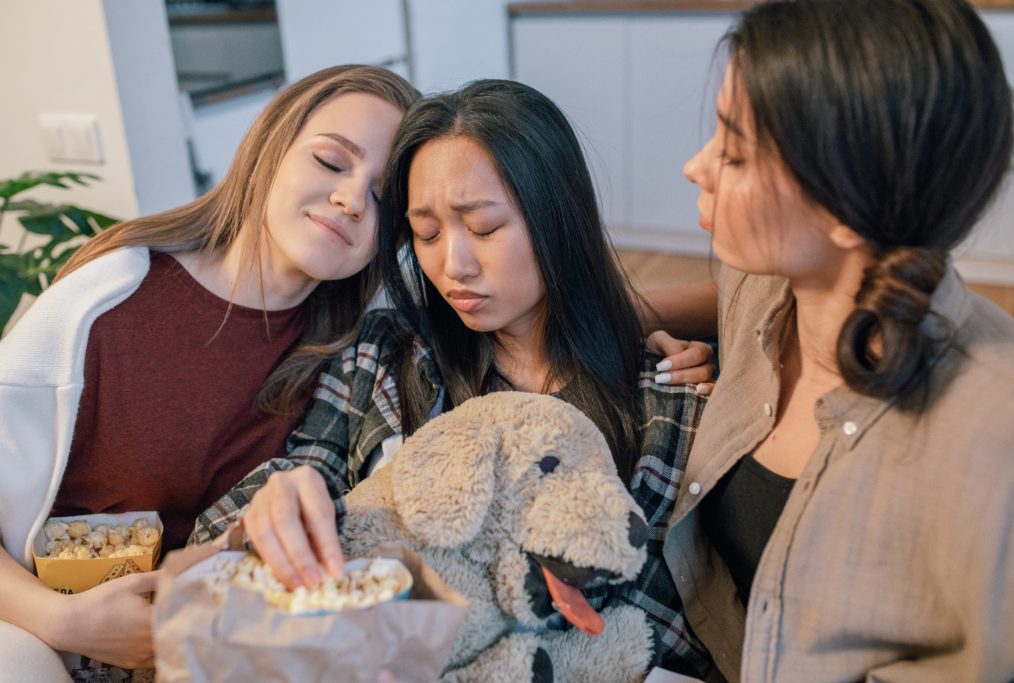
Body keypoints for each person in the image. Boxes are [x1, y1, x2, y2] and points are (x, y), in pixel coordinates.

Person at [195, 79, 715, 676]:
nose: (453, 265)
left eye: (485, 228)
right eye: (427, 234)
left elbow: (676, 625)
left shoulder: (667, 395)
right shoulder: (382, 362)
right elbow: (273, 497)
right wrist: (274, 506)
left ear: (557, 217)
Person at [0, 65, 419, 677]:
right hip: (40, 632)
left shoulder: (358, 360)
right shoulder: (111, 298)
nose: (352, 200)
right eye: (332, 162)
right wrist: (61, 621)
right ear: (270, 147)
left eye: (384, 197)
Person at [656, 0, 1014, 680]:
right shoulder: (765, 279)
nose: (696, 166)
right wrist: (632, 307)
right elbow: (729, 302)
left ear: (845, 206)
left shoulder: (999, 436)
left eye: (733, 151)